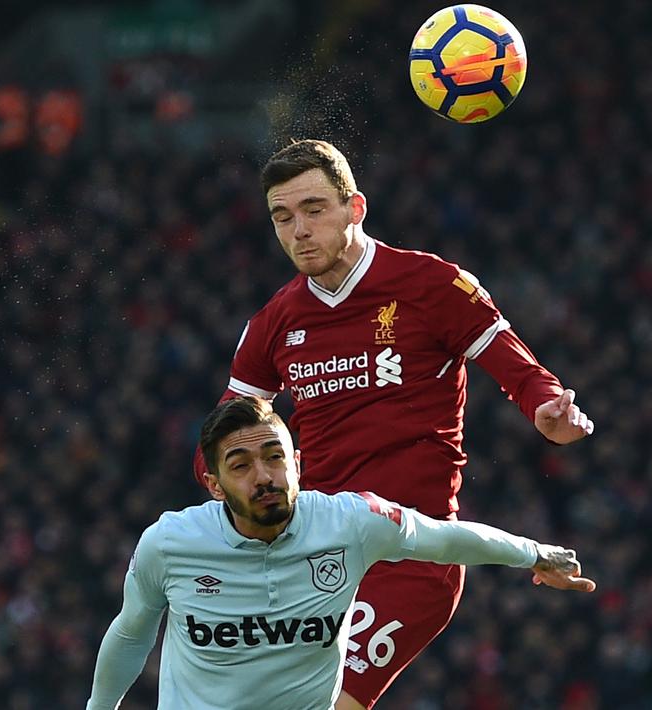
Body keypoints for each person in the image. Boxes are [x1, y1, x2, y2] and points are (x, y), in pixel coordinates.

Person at [193, 138, 594, 708]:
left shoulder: (431, 285)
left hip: (409, 554)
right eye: (283, 217)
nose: (298, 230)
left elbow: (519, 369)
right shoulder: (275, 322)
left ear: (355, 207)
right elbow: (218, 440)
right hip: (312, 559)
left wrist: (548, 409)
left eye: (314, 210)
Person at [90, 396, 596, 709]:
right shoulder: (170, 543)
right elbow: (132, 633)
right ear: (214, 484)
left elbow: (444, 538)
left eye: (274, 457)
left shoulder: (349, 520)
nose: (264, 476)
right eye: (241, 465)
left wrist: (535, 554)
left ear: (298, 464)